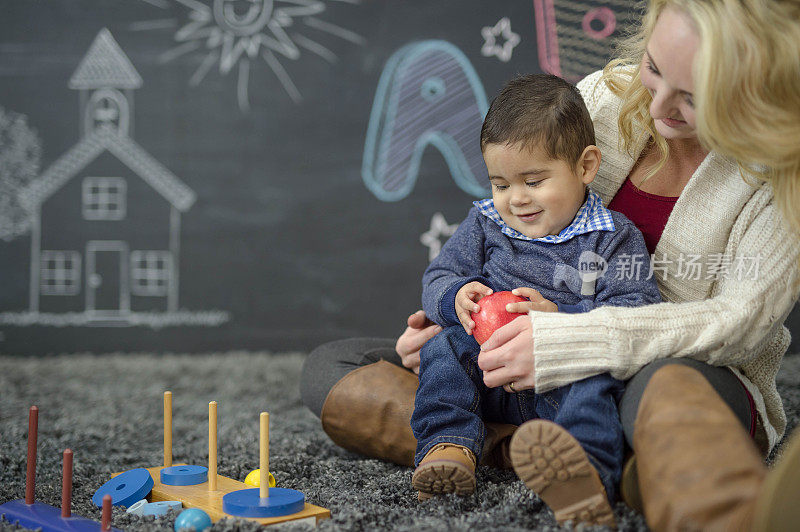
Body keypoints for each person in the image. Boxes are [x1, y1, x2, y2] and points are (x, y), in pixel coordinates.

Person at [301, 0, 800, 529]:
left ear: (758, 97)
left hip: (672, 373)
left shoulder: (777, 174)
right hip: (516, 367)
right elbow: (477, 249)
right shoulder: (598, 101)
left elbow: (738, 324)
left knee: (663, 383)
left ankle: (721, 508)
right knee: (335, 369)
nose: (657, 109)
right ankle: (533, 455)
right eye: (654, 69)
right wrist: (454, 317)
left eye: (696, 98)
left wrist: (565, 338)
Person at [409, 74, 661, 527]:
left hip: (559, 382)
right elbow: (439, 275)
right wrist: (455, 297)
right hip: (489, 376)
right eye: (501, 184)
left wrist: (562, 317)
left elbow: (638, 309)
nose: (516, 199)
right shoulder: (486, 224)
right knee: (443, 348)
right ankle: (448, 445)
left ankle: (584, 472)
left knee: (595, 381)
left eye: (534, 180)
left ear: (585, 167)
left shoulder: (612, 237)